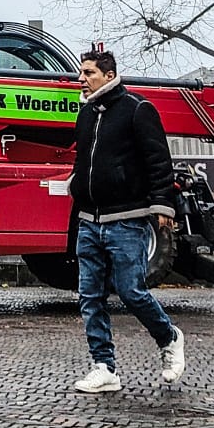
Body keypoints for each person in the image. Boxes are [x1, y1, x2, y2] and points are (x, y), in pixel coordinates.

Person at [68, 45, 185, 392]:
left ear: (109, 75)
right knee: (90, 297)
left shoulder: (138, 109)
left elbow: (158, 161)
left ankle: (169, 337)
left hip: (127, 219)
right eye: (81, 72)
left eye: (88, 72)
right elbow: (83, 161)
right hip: (89, 220)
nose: (81, 78)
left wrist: (162, 206)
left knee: (132, 291)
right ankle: (104, 367)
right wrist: (76, 187)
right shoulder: (86, 114)